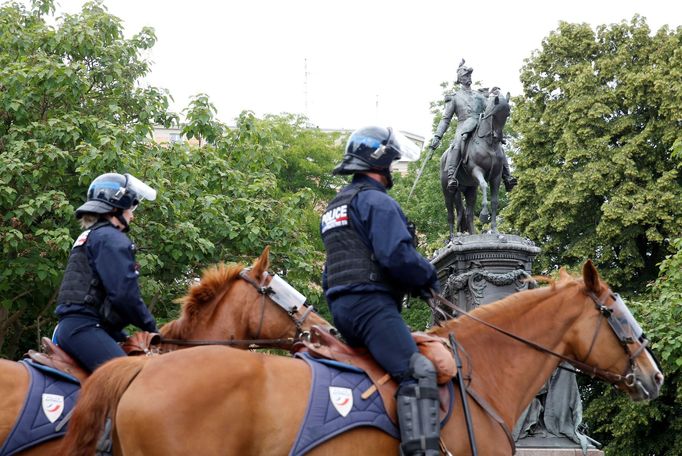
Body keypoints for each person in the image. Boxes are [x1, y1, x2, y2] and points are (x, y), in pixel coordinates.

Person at [320, 126, 442, 456]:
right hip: (371, 307)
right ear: (383, 161)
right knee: (418, 372)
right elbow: (396, 256)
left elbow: (329, 269)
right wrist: (427, 278)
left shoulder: (334, 207)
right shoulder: (376, 202)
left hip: (342, 308)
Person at [53, 172, 159, 373]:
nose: (132, 215)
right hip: (85, 328)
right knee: (132, 379)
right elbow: (123, 295)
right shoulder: (111, 238)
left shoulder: (92, 235)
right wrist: (152, 327)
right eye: (131, 207)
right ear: (117, 206)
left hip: (77, 327)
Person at [431, 59, 516, 192]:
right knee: (457, 143)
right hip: (463, 125)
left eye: (469, 76)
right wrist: (437, 135)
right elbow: (445, 119)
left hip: (481, 124)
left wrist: (494, 96)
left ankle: (507, 176)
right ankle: (452, 176)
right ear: (460, 79)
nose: (468, 78)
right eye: (465, 76)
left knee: (497, 143)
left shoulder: (479, 95)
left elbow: (489, 109)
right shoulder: (454, 97)